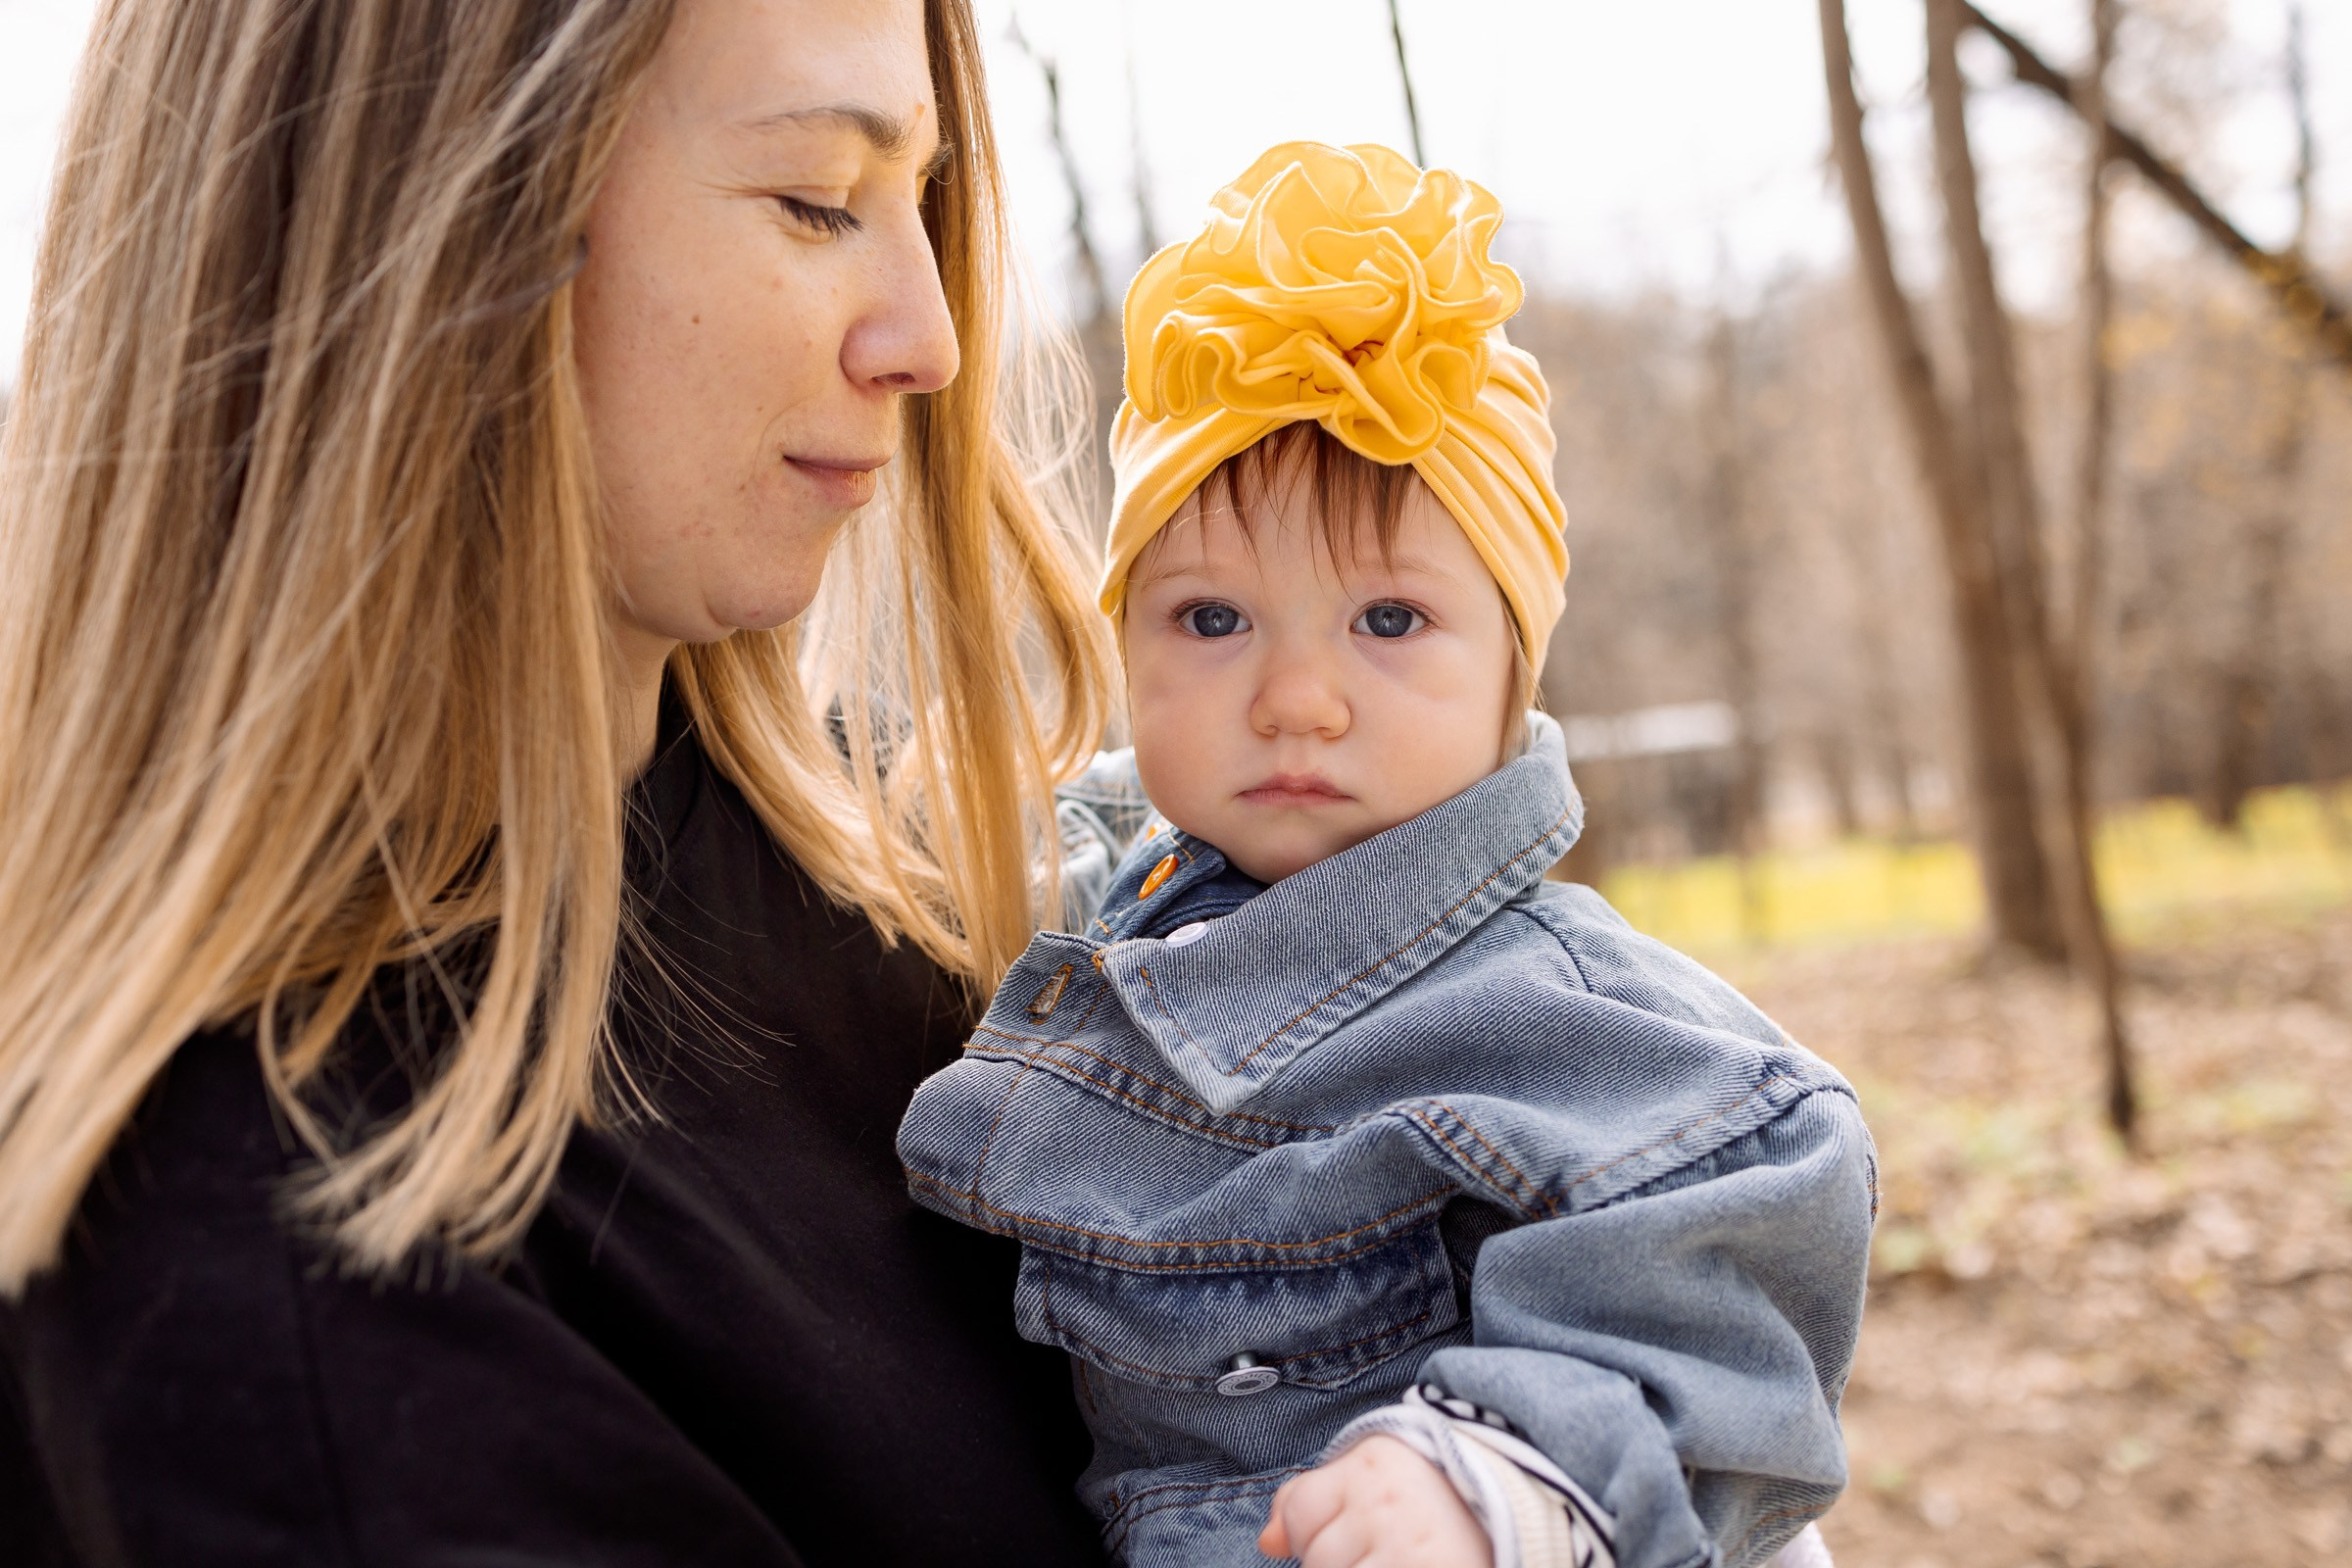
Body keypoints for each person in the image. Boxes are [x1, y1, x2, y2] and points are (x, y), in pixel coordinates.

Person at [0, 1, 1118, 1563]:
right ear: (440, 223)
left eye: (919, 203)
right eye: (815, 198)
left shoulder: (883, 885)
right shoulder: (265, 1289)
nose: (927, 339)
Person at [897, 143, 1875, 1568]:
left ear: (1511, 674)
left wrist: (1500, 1482)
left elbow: (1749, 1212)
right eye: (1211, 621)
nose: (1298, 696)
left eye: (1391, 622)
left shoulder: (1552, 1017)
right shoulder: (1113, 894)